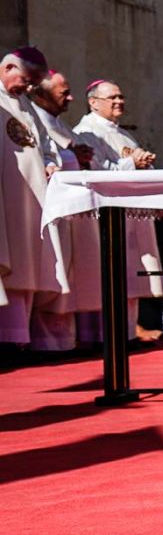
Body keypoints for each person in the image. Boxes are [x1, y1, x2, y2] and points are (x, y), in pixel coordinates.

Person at [73, 79, 163, 340]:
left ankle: (126, 334)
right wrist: (131, 163)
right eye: (111, 97)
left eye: (120, 97)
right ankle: (100, 336)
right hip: (107, 214)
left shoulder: (123, 134)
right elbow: (98, 173)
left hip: (130, 212)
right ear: (93, 102)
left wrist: (144, 164)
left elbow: (131, 166)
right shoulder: (85, 132)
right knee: (109, 273)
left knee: (130, 274)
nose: (119, 102)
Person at [27, 71, 100, 351]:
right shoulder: (33, 117)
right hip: (50, 209)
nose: (70, 98)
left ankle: (65, 341)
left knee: (69, 272)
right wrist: (72, 157)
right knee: (55, 271)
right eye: (63, 92)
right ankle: (45, 343)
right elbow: (48, 159)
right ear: (41, 95)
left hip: (68, 209)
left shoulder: (58, 124)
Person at [0, 47, 59, 348]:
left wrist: (50, 162)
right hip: (6, 198)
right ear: (8, 67)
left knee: (27, 268)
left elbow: (46, 146)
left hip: (31, 199)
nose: (30, 88)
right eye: (27, 80)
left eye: (35, 83)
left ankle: (20, 339)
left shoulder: (26, 105)